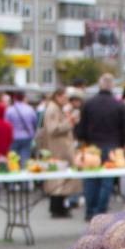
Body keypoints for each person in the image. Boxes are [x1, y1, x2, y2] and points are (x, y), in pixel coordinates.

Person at [75, 73, 125, 220]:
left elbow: (81, 127)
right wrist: (120, 144)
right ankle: (100, 211)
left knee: (90, 180)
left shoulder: (88, 104)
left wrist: (84, 140)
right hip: (112, 145)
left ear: (99, 85)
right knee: (106, 181)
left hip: (92, 146)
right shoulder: (119, 105)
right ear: (112, 86)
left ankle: (90, 211)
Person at [40, 88, 79, 218]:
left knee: (61, 179)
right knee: (58, 179)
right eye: (65, 97)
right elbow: (53, 129)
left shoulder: (56, 108)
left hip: (59, 148)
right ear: (58, 96)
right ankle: (57, 208)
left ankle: (59, 206)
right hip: (57, 148)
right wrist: (69, 122)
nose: (66, 100)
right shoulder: (52, 109)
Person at [6, 92, 38, 163]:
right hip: (27, 136)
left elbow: (6, 123)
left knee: (13, 159)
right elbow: (35, 122)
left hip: (13, 137)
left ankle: (15, 168)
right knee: (25, 158)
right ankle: (23, 168)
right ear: (24, 98)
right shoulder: (30, 109)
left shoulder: (10, 110)